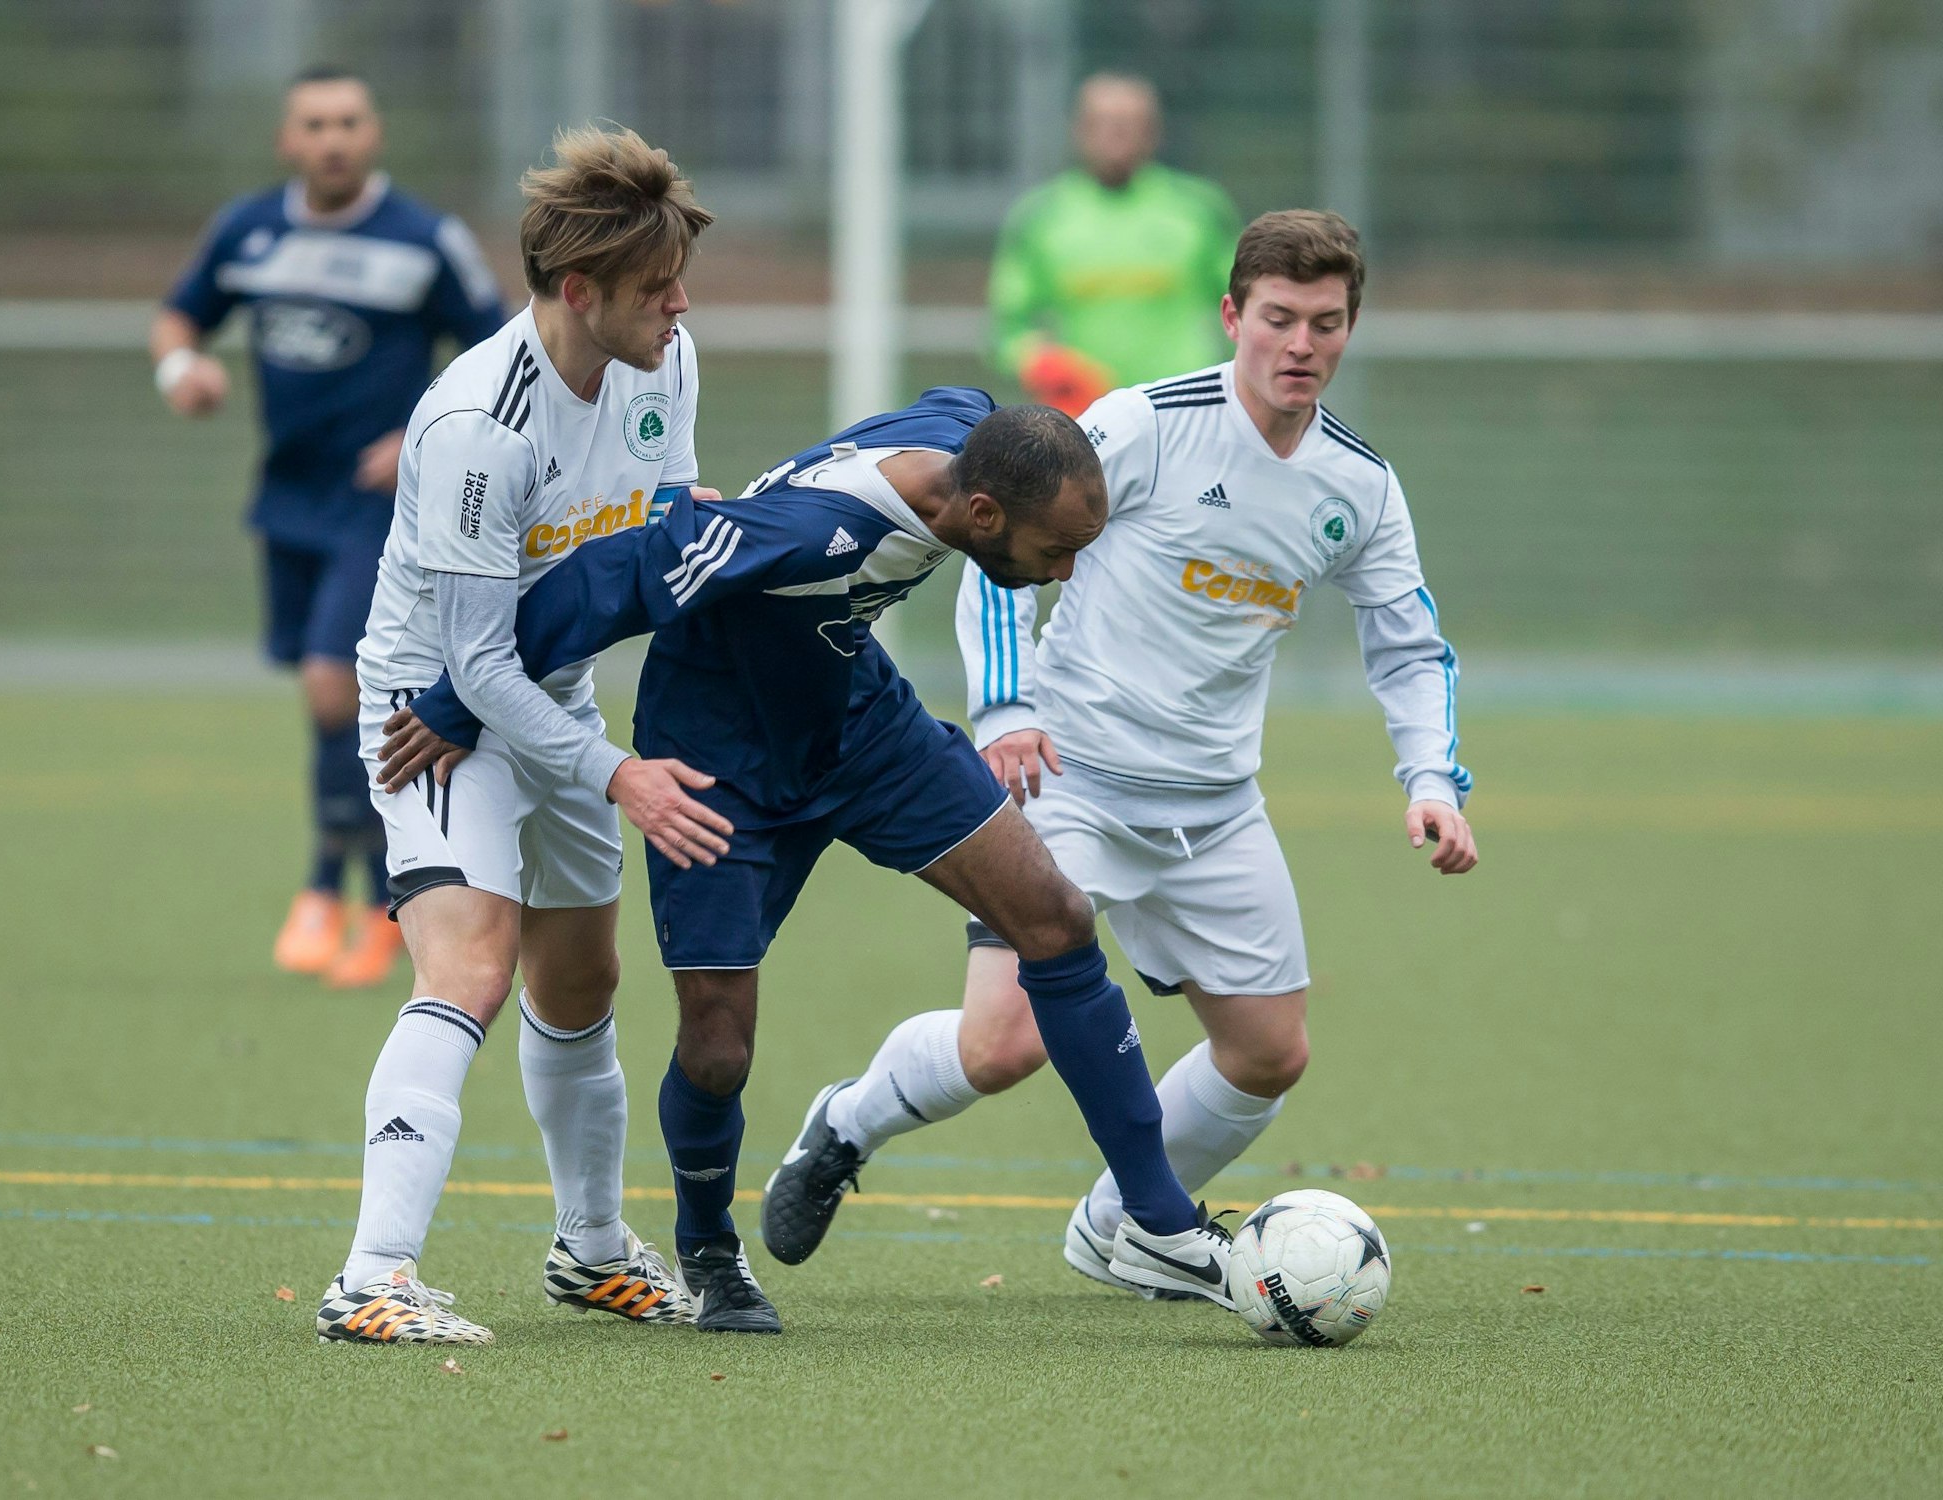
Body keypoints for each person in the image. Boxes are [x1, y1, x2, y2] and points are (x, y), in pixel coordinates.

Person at [381, 393, 1239, 1334]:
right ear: (983, 514)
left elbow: (979, 406)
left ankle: (1156, 1220)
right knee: (718, 1046)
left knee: (1058, 921)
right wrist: (456, 705)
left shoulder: (969, 439)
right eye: (1058, 549)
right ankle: (707, 1250)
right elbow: (615, 577)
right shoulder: (809, 533)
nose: (1069, 570)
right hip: (720, 763)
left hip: (861, 727)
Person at [762, 211, 1480, 1290]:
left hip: (1215, 805)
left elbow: (1406, 641)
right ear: (1232, 315)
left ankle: (1120, 1226)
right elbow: (991, 545)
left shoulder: (1357, 486)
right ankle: (845, 1123)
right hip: (1070, 781)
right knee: (999, 1046)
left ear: (1349, 328)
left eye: (1324, 324)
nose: (1299, 345)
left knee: (1267, 1055)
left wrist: (1429, 779)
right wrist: (1005, 714)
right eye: (1277, 318)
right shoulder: (1143, 425)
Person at [313, 125, 724, 1346]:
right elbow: (474, 665)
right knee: (473, 967)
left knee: (582, 979)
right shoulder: (476, 430)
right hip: (431, 721)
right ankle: (371, 1278)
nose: (680, 305)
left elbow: (661, 539)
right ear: (578, 290)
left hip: (553, 697)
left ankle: (589, 1249)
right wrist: (623, 781)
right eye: (656, 290)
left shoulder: (667, 361)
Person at [152, 66, 507, 988]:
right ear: (288, 140)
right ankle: (356, 891)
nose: (334, 138)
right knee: (323, 696)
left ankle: (345, 892)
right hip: (288, 500)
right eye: (315, 124)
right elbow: (178, 316)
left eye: (349, 120)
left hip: (383, 510)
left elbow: (500, 350)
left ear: (374, 132)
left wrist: (419, 433)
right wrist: (181, 370)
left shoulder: (424, 240)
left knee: (329, 682)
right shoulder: (249, 230)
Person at [990, 73, 1238, 417]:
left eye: (1129, 124)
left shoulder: (1199, 210)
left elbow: (1246, 306)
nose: (1116, 134)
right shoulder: (1041, 217)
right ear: (1078, 130)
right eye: (1102, 123)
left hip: (1185, 411)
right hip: (1085, 417)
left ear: (1155, 131)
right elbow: (1009, 328)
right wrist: (1045, 365)